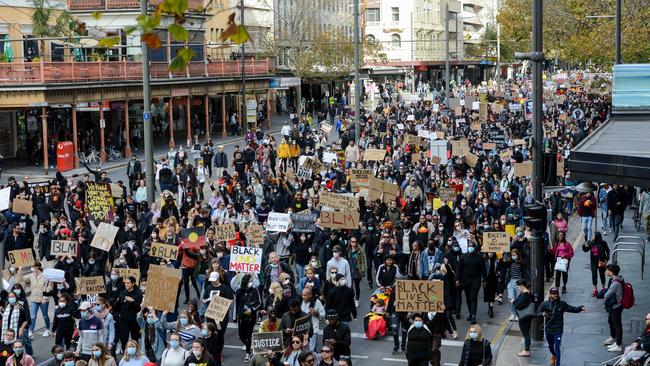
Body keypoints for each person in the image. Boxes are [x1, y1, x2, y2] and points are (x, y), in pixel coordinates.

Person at [537, 287, 586, 366]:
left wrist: (580, 308)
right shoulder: (545, 304)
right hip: (548, 328)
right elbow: (537, 312)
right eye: (553, 294)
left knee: (557, 346)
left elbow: (572, 309)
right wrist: (542, 314)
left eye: (556, 293)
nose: (555, 295)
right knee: (550, 346)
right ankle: (554, 355)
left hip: (558, 329)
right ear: (550, 295)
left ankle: (557, 364)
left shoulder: (562, 304)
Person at [456, 241, 486, 324]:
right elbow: (459, 269)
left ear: (474, 247)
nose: (470, 247)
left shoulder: (480, 257)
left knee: (473, 298)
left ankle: (473, 316)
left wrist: (485, 280)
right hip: (465, 281)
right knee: (468, 298)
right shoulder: (463, 257)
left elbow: (483, 269)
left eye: (472, 246)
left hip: (475, 281)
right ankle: (470, 313)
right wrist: (457, 279)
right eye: (469, 246)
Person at [603, 264, 624, 353]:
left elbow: (607, 295)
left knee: (617, 325)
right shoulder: (617, 279)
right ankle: (614, 339)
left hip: (616, 306)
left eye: (608, 270)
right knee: (611, 321)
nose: (607, 272)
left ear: (611, 272)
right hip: (616, 305)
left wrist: (605, 293)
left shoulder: (615, 283)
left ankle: (618, 345)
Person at [582, 231, 610, 296]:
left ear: (597, 236)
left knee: (602, 275)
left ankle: (603, 289)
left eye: (594, 235)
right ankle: (595, 290)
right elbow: (586, 250)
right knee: (594, 275)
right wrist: (583, 245)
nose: (592, 236)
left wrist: (606, 260)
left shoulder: (603, 243)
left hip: (601, 261)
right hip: (593, 262)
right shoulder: (592, 243)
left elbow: (608, 251)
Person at [512, 280, 534, 357]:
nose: (518, 288)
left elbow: (518, 305)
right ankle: (526, 349)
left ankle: (526, 351)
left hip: (524, 317)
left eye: (518, 287)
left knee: (526, 334)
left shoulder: (525, 295)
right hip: (527, 316)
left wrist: (514, 302)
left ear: (521, 285)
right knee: (526, 333)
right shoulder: (528, 294)